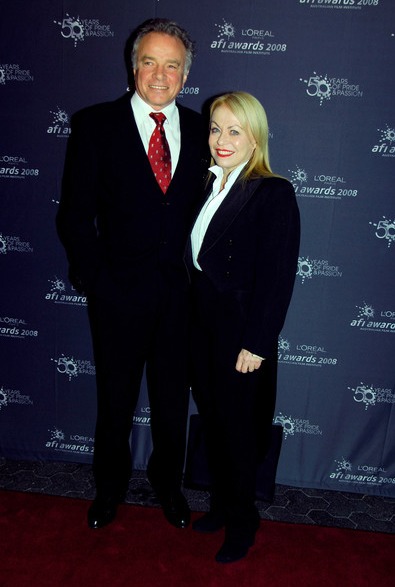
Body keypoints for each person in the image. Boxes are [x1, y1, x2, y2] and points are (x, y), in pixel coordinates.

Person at [56, 18, 207, 530]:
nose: (160, 75)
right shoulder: (95, 125)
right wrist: (96, 279)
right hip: (116, 295)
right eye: (150, 62)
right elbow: (74, 216)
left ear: (185, 75)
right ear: (133, 65)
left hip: (179, 298)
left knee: (170, 402)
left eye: (172, 65)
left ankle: (169, 487)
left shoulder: (204, 130)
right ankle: (110, 488)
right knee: (115, 402)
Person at [186, 92, 300, 563]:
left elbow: (278, 278)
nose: (222, 139)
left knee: (240, 433)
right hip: (202, 331)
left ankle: (243, 521)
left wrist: (257, 343)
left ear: (255, 137)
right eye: (216, 128)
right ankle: (220, 504)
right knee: (214, 424)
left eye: (235, 130)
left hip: (242, 336)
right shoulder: (204, 185)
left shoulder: (273, 192)